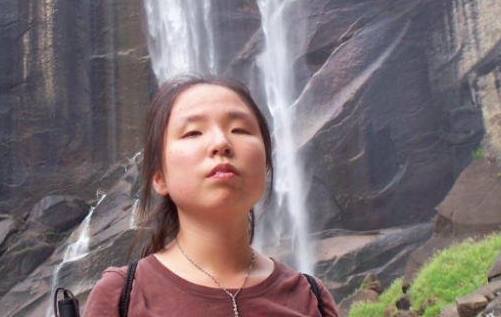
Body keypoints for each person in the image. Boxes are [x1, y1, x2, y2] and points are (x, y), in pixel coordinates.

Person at [82, 75, 338, 317]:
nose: (221, 143)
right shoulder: (120, 297)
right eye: (193, 132)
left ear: (265, 165)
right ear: (159, 177)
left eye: (240, 129)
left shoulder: (311, 298)